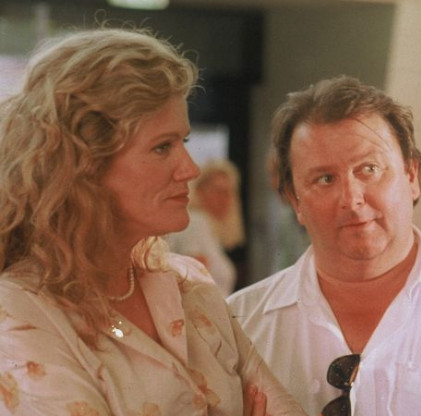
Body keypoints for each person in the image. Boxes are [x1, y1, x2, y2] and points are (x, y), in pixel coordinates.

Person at [0, 28, 305, 415]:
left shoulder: (189, 283)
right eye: (162, 147)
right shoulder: (18, 312)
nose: (190, 169)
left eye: (184, 142)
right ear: (83, 167)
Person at [227, 75, 421, 416]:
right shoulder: (238, 326)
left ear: (412, 176)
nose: (351, 198)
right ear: (295, 201)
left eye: (370, 169)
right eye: (325, 179)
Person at [168, 159, 243, 296]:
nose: (224, 199)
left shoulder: (207, 228)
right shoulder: (196, 223)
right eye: (217, 191)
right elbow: (193, 283)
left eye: (228, 192)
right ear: (199, 191)